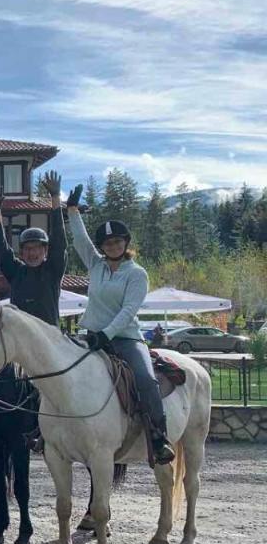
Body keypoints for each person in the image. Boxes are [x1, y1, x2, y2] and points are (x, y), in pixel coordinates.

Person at [65, 187, 175, 465]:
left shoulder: (137, 274)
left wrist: (107, 334)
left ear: (125, 243)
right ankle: (50, 432)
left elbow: (129, 311)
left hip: (126, 339)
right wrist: (72, 211)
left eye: (117, 241)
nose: (112, 246)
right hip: (91, 337)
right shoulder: (96, 265)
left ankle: (158, 437)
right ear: (102, 247)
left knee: (146, 380)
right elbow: (80, 240)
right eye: (107, 243)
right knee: (60, 370)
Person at [0, 177, 70, 327]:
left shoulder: (53, 269)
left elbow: (59, 240)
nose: (32, 253)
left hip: (49, 340)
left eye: (37, 248)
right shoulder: (16, 272)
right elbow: (1, 249)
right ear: (21, 252)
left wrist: (55, 198)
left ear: (45, 250)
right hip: (20, 339)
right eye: (27, 248)